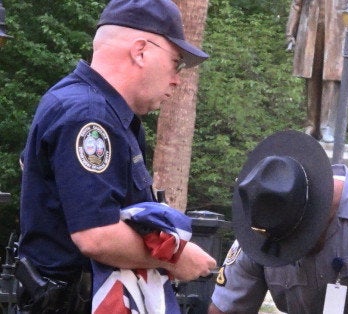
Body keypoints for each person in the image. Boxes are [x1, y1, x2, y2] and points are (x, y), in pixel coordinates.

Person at [16, 0, 216, 312]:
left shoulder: (96, 109)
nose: (177, 79)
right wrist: (176, 256)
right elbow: (96, 235)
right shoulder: (89, 115)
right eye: (175, 62)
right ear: (140, 51)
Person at [209, 130, 348, 313]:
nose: (296, 253)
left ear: (319, 209)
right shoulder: (261, 228)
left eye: (300, 239)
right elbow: (226, 309)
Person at [285, 0, 348, 143]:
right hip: (311, 27)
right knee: (312, 77)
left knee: (331, 78)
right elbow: (297, 3)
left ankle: (326, 127)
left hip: (338, 31)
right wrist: (290, 32)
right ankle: (311, 126)